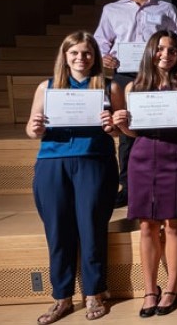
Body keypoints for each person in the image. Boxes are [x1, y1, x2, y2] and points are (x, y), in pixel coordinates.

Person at [27, 31, 122, 324]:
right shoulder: (47, 87)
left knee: (92, 228)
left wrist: (112, 126)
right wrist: (36, 127)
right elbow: (32, 130)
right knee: (58, 231)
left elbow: (121, 131)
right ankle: (62, 296)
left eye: (87, 53)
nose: (81, 58)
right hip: (52, 163)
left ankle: (95, 292)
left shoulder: (109, 87)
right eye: (75, 53)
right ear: (65, 56)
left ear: (95, 57)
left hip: (94, 162)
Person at [112, 30, 177, 318]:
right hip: (141, 156)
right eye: (160, 49)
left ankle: (172, 288)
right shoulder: (133, 87)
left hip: (174, 154)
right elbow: (132, 132)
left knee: (174, 224)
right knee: (147, 226)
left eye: (172, 50)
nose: (166, 54)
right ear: (150, 51)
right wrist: (121, 124)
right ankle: (151, 290)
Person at [94, 0, 177, 208]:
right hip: (127, 74)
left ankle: (162, 182)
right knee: (126, 131)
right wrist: (105, 57)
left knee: (159, 127)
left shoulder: (166, 8)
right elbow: (100, 40)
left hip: (157, 75)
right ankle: (129, 186)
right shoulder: (112, 10)